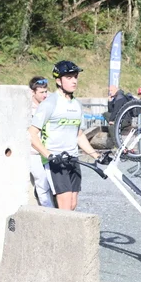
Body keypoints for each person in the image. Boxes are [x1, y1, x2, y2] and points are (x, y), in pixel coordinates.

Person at [29, 60, 101, 211]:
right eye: (69, 77)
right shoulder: (49, 103)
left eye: (75, 77)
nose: (74, 81)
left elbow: (79, 135)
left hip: (73, 158)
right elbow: (32, 134)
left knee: (72, 205)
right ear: (58, 81)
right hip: (56, 160)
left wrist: (97, 156)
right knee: (65, 207)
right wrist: (49, 155)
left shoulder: (77, 104)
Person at [27, 76, 54, 208]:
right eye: (41, 92)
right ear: (33, 92)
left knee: (51, 183)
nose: (45, 95)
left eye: (46, 91)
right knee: (42, 182)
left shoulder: (47, 107)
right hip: (33, 152)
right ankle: (49, 211)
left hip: (48, 150)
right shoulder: (27, 110)